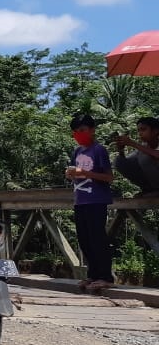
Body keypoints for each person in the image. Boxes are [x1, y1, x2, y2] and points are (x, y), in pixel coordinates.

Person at [66, 114, 115, 293]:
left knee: (97, 238)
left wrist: (86, 173)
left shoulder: (99, 150)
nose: (78, 134)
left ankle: (106, 277)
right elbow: (75, 172)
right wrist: (71, 173)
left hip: (97, 199)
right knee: (84, 240)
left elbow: (109, 177)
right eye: (75, 132)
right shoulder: (77, 152)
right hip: (80, 200)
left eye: (82, 130)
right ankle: (93, 275)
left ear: (92, 130)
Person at [112, 117, 159, 195]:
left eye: (143, 129)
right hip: (153, 185)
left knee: (145, 156)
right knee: (119, 161)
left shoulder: (143, 149)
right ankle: (149, 189)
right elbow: (129, 163)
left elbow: (157, 154)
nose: (140, 133)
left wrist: (132, 143)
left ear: (155, 131)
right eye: (138, 130)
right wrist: (121, 150)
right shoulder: (143, 147)